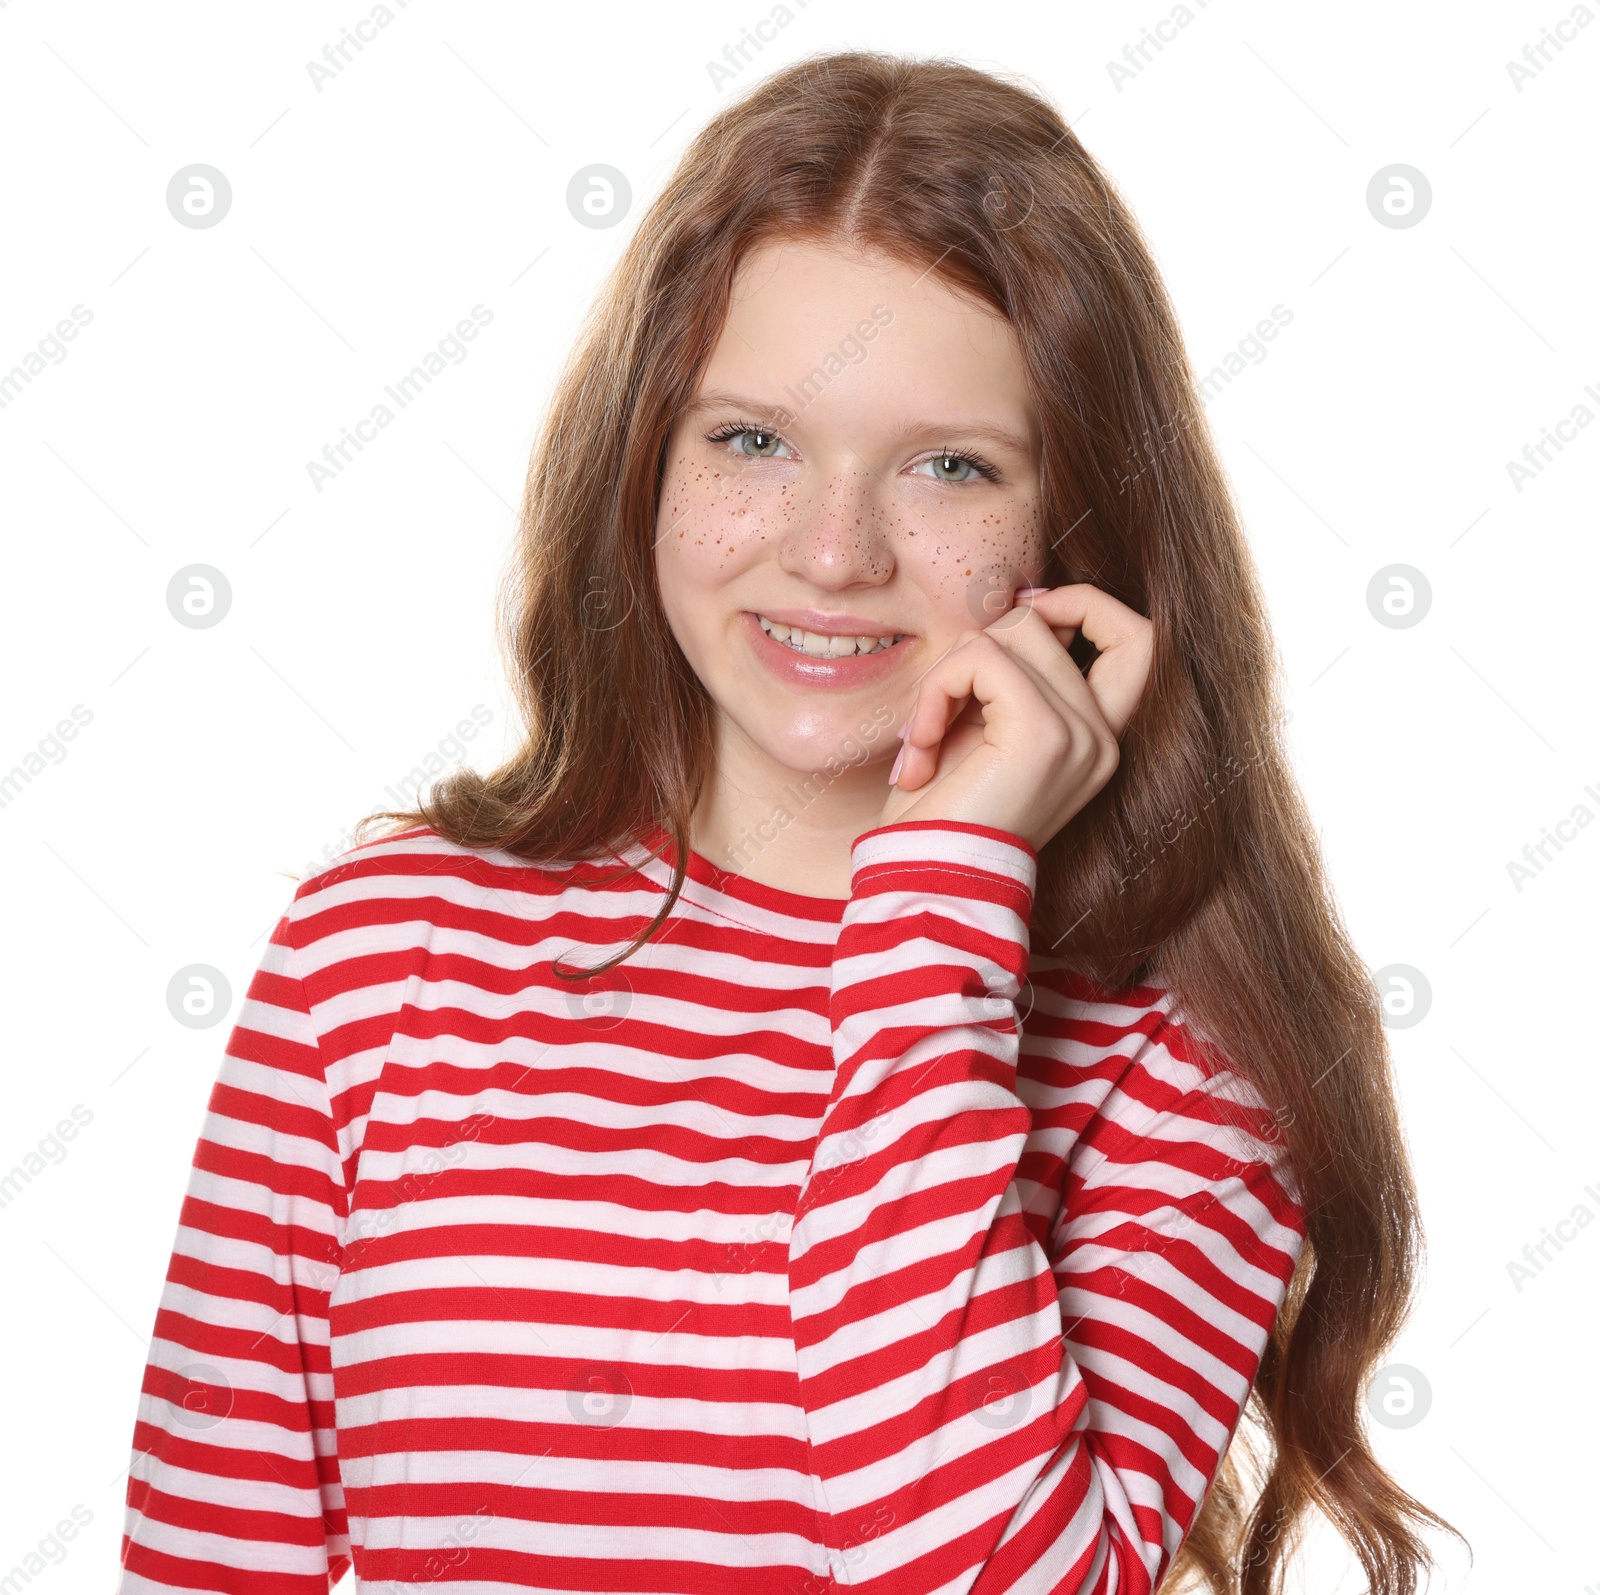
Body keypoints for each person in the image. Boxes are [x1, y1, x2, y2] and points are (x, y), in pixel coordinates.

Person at [116, 50, 1461, 1595]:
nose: (832, 554)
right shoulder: (374, 962)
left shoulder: (1184, 1055)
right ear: (644, 461)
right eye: (752, 441)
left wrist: (941, 901)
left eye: (951, 468)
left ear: (1071, 535)